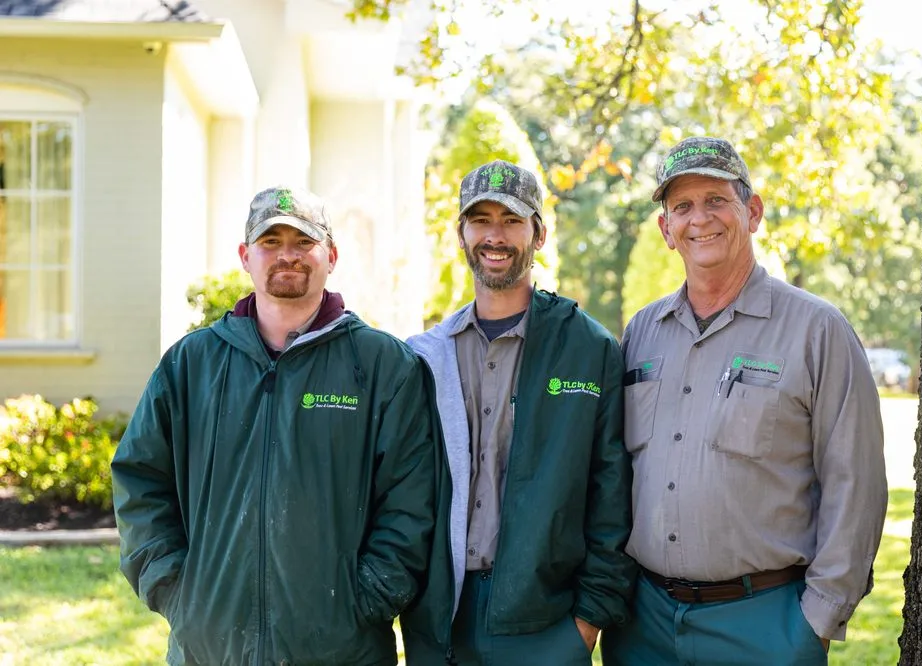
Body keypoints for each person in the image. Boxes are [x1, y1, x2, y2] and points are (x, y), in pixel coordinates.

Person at [111, 186, 447, 665]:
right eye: (270, 242)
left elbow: (413, 500)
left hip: (342, 649)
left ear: (330, 255)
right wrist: (177, 592)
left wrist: (368, 601)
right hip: (210, 650)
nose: (287, 255)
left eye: (304, 242)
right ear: (246, 256)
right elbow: (140, 480)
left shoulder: (383, 365)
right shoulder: (191, 364)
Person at [601, 137, 888, 665]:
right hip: (642, 624)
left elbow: (857, 483)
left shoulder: (816, 330)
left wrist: (815, 622)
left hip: (765, 625)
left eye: (716, 200)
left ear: (751, 212)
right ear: (666, 230)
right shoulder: (642, 331)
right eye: (681, 207)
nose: (699, 219)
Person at [400, 160, 636, 665]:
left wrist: (586, 623)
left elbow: (611, 490)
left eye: (512, 220)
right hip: (440, 620)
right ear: (460, 234)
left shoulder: (587, 348)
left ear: (539, 233)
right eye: (480, 219)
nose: (495, 235)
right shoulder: (422, 357)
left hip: (546, 624)